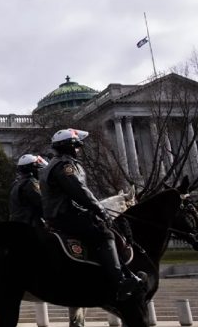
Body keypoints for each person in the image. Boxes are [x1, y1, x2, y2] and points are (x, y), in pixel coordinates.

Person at [40, 129, 143, 301]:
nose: (79, 150)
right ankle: (118, 281)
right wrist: (99, 209)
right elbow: (80, 191)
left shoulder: (53, 164)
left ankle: (122, 273)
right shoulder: (65, 166)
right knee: (104, 233)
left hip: (58, 214)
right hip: (65, 214)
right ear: (70, 147)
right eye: (77, 147)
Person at [9, 154, 48, 227]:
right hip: (30, 225)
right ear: (32, 169)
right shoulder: (31, 183)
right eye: (37, 168)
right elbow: (42, 204)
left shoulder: (16, 183)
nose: (39, 171)